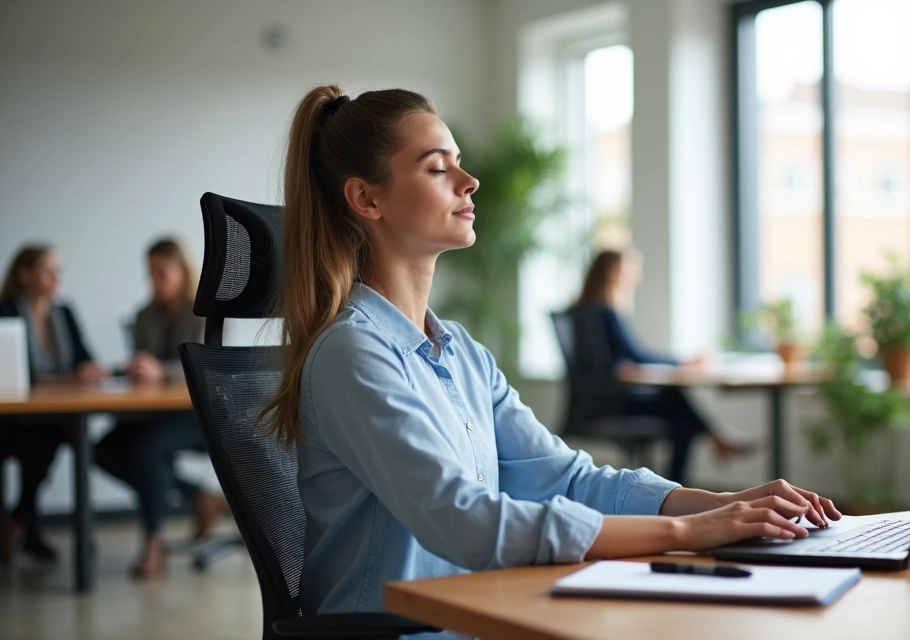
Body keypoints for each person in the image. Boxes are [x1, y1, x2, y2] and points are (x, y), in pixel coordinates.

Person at [260, 85, 842, 623]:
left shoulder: (460, 352)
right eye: (437, 167)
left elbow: (566, 478)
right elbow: (466, 523)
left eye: (459, 162)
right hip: (400, 633)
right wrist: (689, 530)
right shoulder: (352, 355)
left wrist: (729, 503)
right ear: (366, 198)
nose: (469, 181)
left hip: (476, 615)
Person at [94, 238, 225, 578]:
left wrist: (159, 370)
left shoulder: (204, 312)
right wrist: (116, 370)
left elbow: (204, 364)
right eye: (150, 273)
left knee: (147, 448)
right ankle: (199, 496)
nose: (154, 280)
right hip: (155, 413)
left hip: (198, 414)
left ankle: (153, 543)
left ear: (182, 272)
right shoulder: (143, 315)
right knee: (103, 450)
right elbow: (143, 366)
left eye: (161, 272)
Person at [570, 248, 755, 485]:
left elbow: (610, 361)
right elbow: (636, 354)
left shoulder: (585, 311)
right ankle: (686, 474)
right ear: (615, 271)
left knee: (678, 408)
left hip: (596, 403)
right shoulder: (606, 311)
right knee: (677, 407)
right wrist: (684, 361)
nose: (638, 275)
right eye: (633, 268)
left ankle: (700, 459)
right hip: (613, 405)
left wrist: (621, 366)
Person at [0, 245, 108, 564]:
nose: (56, 277)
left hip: (56, 415)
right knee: (40, 445)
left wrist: (89, 369)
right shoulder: (5, 312)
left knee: (78, 441)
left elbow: (84, 359)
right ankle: (24, 525)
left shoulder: (63, 312)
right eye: (48, 269)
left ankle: (19, 521)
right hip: (15, 417)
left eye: (58, 270)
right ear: (25, 274)